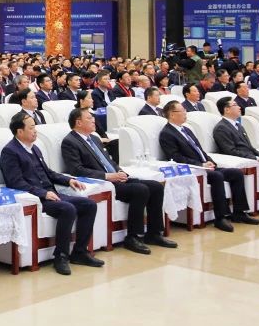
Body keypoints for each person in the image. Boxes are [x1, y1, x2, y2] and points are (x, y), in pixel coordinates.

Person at [0, 112, 102, 276]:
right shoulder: (10, 152)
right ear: (20, 131)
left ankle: (80, 252)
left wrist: (68, 180)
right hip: (37, 199)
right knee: (67, 209)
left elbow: (48, 173)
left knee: (89, 205)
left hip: (52, 194)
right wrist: (43, 193)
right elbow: (15, 183)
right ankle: (60, 256)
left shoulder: (35, 148)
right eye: (31, 128)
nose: (35, 131)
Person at [61, 107, 174, 252]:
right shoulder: (70, 142)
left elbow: (109, 161)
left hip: (116, 178)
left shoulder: (94, 138)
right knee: (140, 190)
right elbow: (76, 170)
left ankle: (154, 233)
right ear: (78, 122)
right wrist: (108, 176)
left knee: (156, 187)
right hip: (104, 182)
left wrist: (120, 171)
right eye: (89, 118)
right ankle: (133, 237)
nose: (94, 120)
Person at [157, 100, 257, 233]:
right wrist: (201, 164)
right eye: (182, 111)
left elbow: (199, 150)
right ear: (172, 114)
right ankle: (220, 217)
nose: (186, 113)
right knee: (217, 176)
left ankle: (239, 212)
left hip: (205, 165)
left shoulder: (186, 129)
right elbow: (175, 156)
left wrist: (210, 161)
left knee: (236, 173)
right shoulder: (167, 133)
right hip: (195, 169)